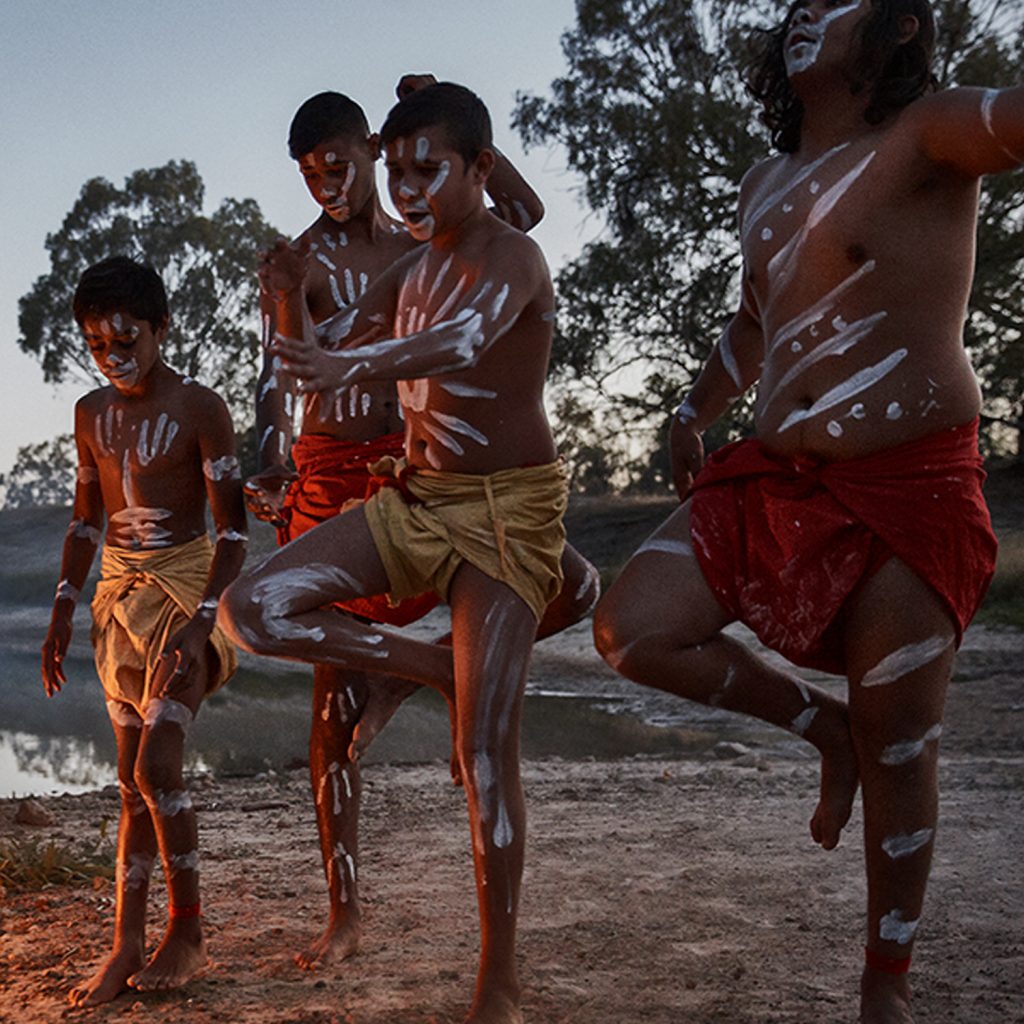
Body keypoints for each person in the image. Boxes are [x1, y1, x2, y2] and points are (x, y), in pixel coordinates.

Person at [592, 2, 1014, 1021]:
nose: (804, 14)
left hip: (909, 486)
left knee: (901, 744)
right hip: (778, 481)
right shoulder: (762, 183)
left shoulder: (931, 133)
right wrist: (693, 410)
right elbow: (754, 318)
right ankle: (822, 730)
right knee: (628, 628)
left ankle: (884, 983)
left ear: (900, 26)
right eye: (797, 2)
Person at [219, 81, 573, 1024]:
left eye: (343, 165)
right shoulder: (349, 262)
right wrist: (285, 324)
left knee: (517, 689)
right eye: (310, 175)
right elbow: (298, 365)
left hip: (493, 499)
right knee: (293, 658)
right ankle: (431, 680)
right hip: (383, 483)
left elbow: (481, 298)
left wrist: (440, 112)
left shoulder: (472, 247)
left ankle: (498, 979)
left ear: (370, 151)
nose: (330, 185)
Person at [40, 257, 248, 1006]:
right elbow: (84, 520)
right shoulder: (89, 413)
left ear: (162, 328)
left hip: (188, 594)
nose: (112, 357)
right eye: (97, 345)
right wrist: (64, 607)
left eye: (126, 341)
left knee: (159, 766)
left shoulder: (201, 408)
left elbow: (234, 534)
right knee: (131, 782)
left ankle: (187, 932)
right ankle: (126, 941)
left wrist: (202, 623)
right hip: (117, 603)